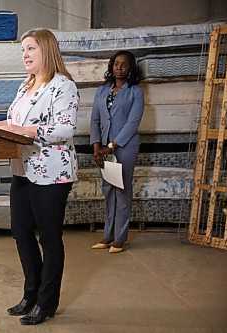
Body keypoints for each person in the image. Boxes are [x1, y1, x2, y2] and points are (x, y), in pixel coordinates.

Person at [0, 28, 79, 325]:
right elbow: (13, 123)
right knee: (21, 232)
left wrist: (25, 131)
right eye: (23, 50)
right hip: (23, 169)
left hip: (52, 173)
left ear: (47, 51)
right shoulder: (24, 87)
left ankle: (46, 302)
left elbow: (65, 130)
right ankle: (30, 294)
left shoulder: (63, 86)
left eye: (31, 49)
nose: (25, 55)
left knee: (49, 239)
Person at [89, 50, 144, 254]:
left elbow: (132, 123)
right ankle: (107, 236)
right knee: (108, 189)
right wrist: (97, 148)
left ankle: (120, 239)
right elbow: (95, 120)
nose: (119, 67)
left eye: (124, 64)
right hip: (102, 148)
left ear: (131, 69)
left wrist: (110, 147)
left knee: (122, 190)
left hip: (126, 147)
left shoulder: (135, 92)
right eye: (116, 64)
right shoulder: (102, 91)